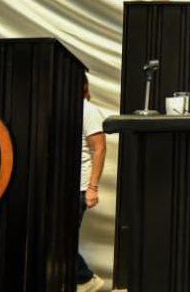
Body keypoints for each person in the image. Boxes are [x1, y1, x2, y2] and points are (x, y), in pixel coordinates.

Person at [77, 74, 106, 292]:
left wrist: (92, 188)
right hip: (64, 187)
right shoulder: (67, 108)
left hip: (80, 187)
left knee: (62, 238)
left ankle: (86, 280)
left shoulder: (88, 110)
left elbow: (100, 149)